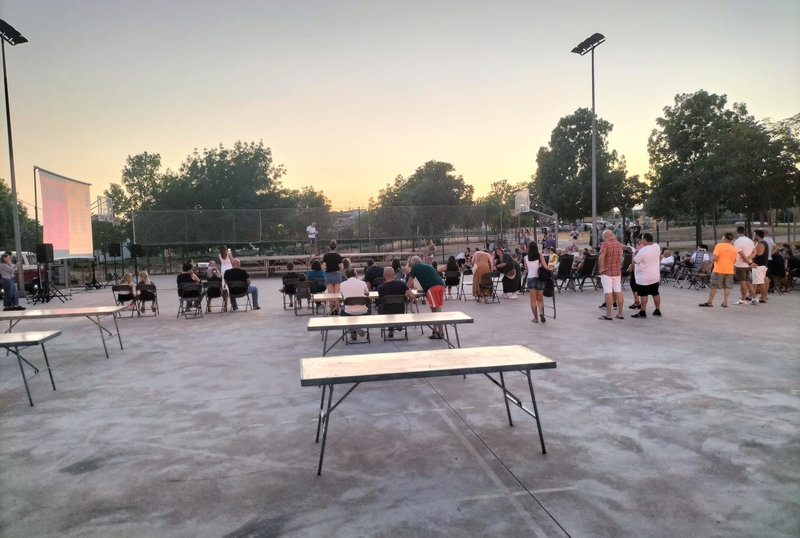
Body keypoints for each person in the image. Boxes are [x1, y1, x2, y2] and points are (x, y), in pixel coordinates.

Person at [405, 256, 446, 339]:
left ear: (412, 263)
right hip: (441, 286)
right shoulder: (427, 266)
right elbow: (431, 277)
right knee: (435, 309)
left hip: (432, 287)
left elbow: (410, 282)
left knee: (436, 309)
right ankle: (435, 332)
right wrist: (424, 289)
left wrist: (403, 289)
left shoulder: (415, 267)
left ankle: (441, 332)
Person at [699, 232, 738, 308]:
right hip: (730, 270)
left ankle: (710, 302)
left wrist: (709, 264)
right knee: (727, 286)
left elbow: (715, 258)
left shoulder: (719, 246)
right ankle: (725, 302)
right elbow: (735, 259)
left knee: (714, 286)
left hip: (719, 269)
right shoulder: (734, 248)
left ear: (724, 237)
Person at [630, 233, 661, 318]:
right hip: (654, 276)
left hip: (644, 277)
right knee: (655, 293)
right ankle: (657, 310)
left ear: (645, 239)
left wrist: (634, 253)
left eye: (642, 239)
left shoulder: (643, 250)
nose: (641, 241)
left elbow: (635, 261)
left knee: (643, 294)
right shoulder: (656, 246)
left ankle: (643, 311)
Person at [597, 229, 625, 320]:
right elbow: (621, 258)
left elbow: (601, 257)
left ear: (605, 236)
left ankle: (608, 314)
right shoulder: (619, 244)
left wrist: (601, 268)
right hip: (617, 272)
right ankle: (620, 313)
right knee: (618, 292)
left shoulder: (605, 244)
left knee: (608, 293)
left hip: (607, 272)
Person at [377, 267, 408, 338]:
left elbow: (380, 300)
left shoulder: (380, 287)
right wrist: (407, 301)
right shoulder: (401, 284)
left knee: (383, 307)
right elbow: (411, 295)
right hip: (400, 310)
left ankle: (391, 328)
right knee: (395, 308)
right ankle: (398, 324)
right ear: (394, 274)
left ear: (384, 275)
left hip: (386, 311)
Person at [340, 267, 370, 340]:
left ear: (346, 276)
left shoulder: (342, 284)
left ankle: (353, 329)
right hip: (363, 312)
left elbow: (343, 296)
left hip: (348, 312)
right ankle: (356, 328)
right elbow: (367, 294)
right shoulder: (362, 283)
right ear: (356, 274)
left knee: (343, 312)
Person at [524, 243, 548, 324]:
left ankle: (536, 318)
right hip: (539, 278)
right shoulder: (540, 256)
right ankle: (541, 313)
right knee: (540, 299)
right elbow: (545, 267)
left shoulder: (525, 258)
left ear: (529, 248)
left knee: (533, 300)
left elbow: (527, 269)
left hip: (530, 278)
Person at [732, 226, 756, 305]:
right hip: (747, 265)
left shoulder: (737, 242)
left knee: (742, 282)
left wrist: (747, 261)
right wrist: (749, 259)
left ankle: (743, 299)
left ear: (737, 232)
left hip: (740, 264)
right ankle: (754, 297)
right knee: (747, 281)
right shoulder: (750, 241)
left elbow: (741, 253)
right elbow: (754, 252)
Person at [322, 240, 343, 312]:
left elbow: (323, 267)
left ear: (329, 247)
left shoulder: (326, 256)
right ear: (336, 247)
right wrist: (337, 268)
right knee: (337, 293)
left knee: (330, 293)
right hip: (336, 274)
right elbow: (342, 267)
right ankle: (336, 308)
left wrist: (328, 267)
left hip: (329, 274)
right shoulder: (338, 256)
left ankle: (331, 308)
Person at [750, 229, 769, 303]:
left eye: (754, 235)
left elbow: (756, 254)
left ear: (757, 236)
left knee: (760, 282)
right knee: (758, 282)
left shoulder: (760, 245)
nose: (753, 236)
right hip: (762, 265)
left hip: (759, 266)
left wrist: (747, 258)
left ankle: (763, 297)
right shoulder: (763, 243)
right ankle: (754, 295)